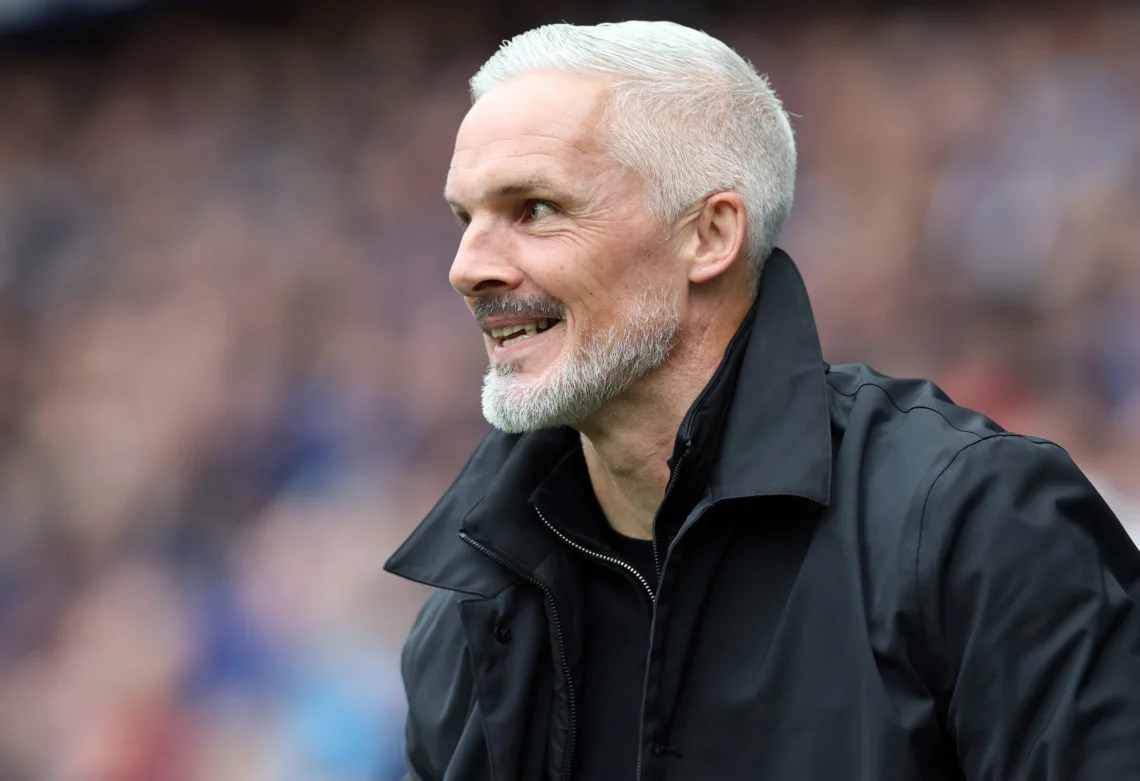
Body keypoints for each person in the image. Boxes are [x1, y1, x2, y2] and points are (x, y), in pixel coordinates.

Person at [383, 20, 1140, 781]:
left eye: (536, 208)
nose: (466, 268)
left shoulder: (973, 526)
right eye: (466, 218)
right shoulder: (465, 621)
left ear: (711, 235)